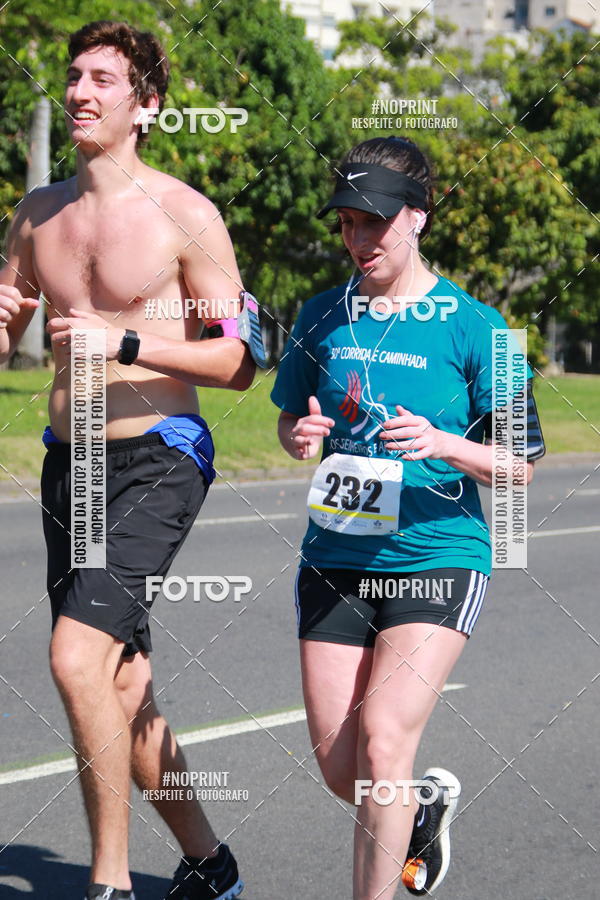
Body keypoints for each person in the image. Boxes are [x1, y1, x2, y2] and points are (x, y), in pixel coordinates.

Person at [0, 20, 263, 900]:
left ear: (146, 105)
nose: (80, 91)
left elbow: (239, 361)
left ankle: (107, 885)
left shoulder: (187, 215)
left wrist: (127, 343)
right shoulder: (35, 215)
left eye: (103, 80)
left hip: (159, 457)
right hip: (67, 465)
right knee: (119, 683)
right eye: (74, 75)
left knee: (76, 658)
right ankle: (211, 866)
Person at [271, 136, 545, 899]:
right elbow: (292, 418)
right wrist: (299, 435)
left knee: (384, 746)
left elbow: (522, 465)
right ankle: (421, 808)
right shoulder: (322, 316)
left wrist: (446, 444)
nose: (359, 238)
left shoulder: (481, 327)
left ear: (418, 216)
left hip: (438, 551)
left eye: (376, 221)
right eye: (347, 222)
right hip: (337, 555)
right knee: (345, 771)